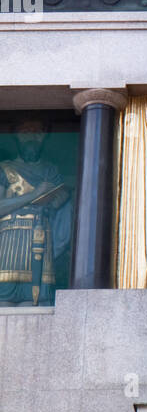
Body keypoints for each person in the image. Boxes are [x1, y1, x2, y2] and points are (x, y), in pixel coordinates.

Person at [0, 120, 70, 305]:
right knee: (4, 302)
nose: (31, 137)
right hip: (9, 244)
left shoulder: (51, 171)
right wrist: (35, 194)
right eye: (25, 132)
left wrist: (57, 200)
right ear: (16, 136)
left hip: (40, 240)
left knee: (36, 302)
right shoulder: (4, 168)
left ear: (44, 137)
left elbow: (61, 204)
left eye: (37, 133)